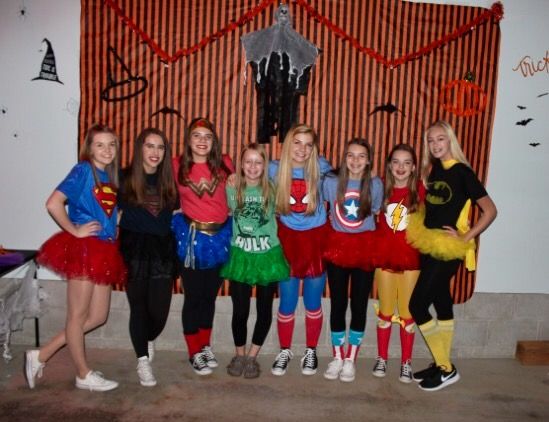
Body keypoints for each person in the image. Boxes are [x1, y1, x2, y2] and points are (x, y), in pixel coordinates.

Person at [24, 123, 126, 391]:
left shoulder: (110, 176)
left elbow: (106, 208)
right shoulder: (83, 170)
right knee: (77, 316)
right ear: (89, 148)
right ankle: (83, 374)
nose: (106, 150)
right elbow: (53, 203)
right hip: (85, 249)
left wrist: (115, 221)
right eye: (100, 145)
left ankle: (41, 354)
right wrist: (74, 230)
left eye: (111, 144)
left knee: (98, 316)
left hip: (105, 249)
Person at [407, 120, 497, 391]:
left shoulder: (463, 173)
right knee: (441, 301)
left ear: (450, 141)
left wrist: (465, 237)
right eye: (431, 140)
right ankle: (440, 363)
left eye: (440, 139)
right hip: (428, 242)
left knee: (417, 306)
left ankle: (446, 368)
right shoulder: (433, 169)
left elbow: (490, 210)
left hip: (448, 249)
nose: (435, 145)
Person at [221, 144, 290, 378]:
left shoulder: (272, 188)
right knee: (240, 310)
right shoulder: (232, 188)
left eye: (258, 162)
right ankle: (239, 355)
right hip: (241, 255)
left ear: (265, 165)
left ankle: (252, 357)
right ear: (241, 165)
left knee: (263, 310)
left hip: (267, 256)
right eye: (248, 162)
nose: (252, 167)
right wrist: (231, 175)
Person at [172, 117, 234, 375]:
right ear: (188, 139)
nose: (201, 141)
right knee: (193, 297)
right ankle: (193, 351)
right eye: (196, 136)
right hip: (193, 239)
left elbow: (234, 194)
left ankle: (205, 345)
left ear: (214, 141)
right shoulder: (176, 165)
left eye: (207, 137)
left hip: (219, 238)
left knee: (209, 296)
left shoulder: (225, 164)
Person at [269, 123, 332, 376]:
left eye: (308, 144)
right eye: (297, 142)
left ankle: (311, 351)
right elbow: (248, 180)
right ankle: (285, 350)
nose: (302, 149)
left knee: (313, 302)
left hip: (316, 240)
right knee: (287, 302)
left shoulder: (322, 167)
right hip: (288, 240)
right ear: (287, 144)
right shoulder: (274, 169)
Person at [118, 128, 178, 387]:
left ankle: (147, 337)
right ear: (140, 147)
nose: (155, 152)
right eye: (150, 146)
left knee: (159, 311)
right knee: (138, 308)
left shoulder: (169, 181)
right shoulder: (123, 177)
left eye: (160, 147)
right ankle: (142, 360)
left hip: (163, 251)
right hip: (134, 250)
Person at [322, 138, 383, 382]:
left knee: (359, 304)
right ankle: (337, 355)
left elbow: (376, 210)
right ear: (343, 158)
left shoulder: (375, 184)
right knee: (338, 303)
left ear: (369, 160)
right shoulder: (331, 182)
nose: (355, 160)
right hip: (337, 246)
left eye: (361, 156)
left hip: (365, 248)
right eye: (350, 155)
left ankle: (351, 359)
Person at [372, 144, 425, 383]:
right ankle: (382, 357)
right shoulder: (380, 188)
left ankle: (406, 362)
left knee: (407, 313)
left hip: (410, 261)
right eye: (396, 162)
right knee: (385, 312)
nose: (401, 167)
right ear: (389, 165)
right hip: (383, 258)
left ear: (413, 167)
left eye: (406, 162)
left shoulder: (421, 191)